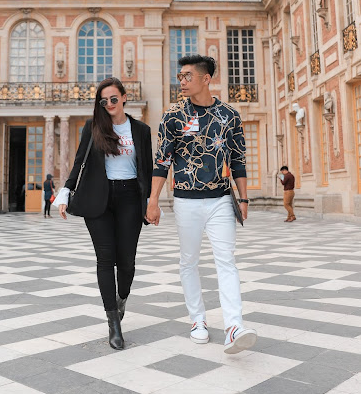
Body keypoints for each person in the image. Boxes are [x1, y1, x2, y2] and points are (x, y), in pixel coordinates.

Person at [146, 55, 257, 355]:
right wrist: (153, 200)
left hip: (221, 199)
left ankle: (234, 326)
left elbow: (238, 161)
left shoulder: (229, 116)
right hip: (185, 200)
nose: (181, 81)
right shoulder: (173, 116)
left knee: (226, 260)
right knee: (189, 261)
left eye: (187, 76)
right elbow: (162, 161)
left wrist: (243, 198)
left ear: (206, 79)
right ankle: (198, 320)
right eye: (179, 76)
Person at [53, 77, 153, 350]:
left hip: (130, 197)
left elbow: (147, 169)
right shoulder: (93, 127)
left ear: (123, 98)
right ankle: (113, 322)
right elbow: (79, 161)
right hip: (99, 198)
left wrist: (152, 201)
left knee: (127, 261)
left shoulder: (141, 130)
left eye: (112, 98)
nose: (108, 104)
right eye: (103, 101)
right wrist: (65, 191)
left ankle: (121, 298)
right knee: (105, 258)